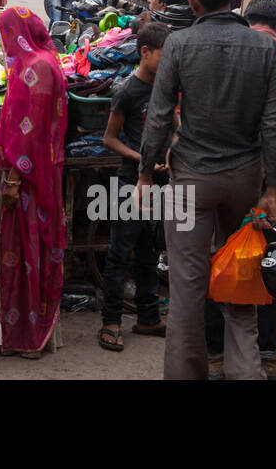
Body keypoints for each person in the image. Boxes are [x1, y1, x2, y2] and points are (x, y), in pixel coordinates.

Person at [138, 0, 276, 381]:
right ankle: (246, 373)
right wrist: (272, 188)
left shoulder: (180, 44)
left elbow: (159, 116)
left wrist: (146, 173)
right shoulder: (264, 47)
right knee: (241, 278)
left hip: (192, 178)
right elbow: (273, 124)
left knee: (186, 289)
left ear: (193, 1)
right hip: (245, 176)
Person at [202, 0, 276, 379]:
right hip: (268, 179)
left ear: (245, 19)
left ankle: (215, 354)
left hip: (217, 171)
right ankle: (267, 355)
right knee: (272, 260)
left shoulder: (221, 50)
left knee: (217, 256)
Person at [0, 6, 67, 357]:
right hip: (34, 171)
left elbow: (31, 131)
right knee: (18, 250)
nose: (3, 41)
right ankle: (6, 329)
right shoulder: (41, 61)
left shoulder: (35, 68)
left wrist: (15, 180)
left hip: (24, 175)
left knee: (18, 248)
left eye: (4, 33)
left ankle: (18, 333)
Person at [98, 21, 169, 352]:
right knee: (119, 253)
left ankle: (149, 316)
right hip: (130, 181)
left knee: (149, 251)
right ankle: (111, 322)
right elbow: (109, 139)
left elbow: (176, 128)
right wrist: (141, 158)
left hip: (160, 183)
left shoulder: (168, 88)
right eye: (163, 55)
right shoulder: (127, 90)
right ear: (145, 52)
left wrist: (169, 153)